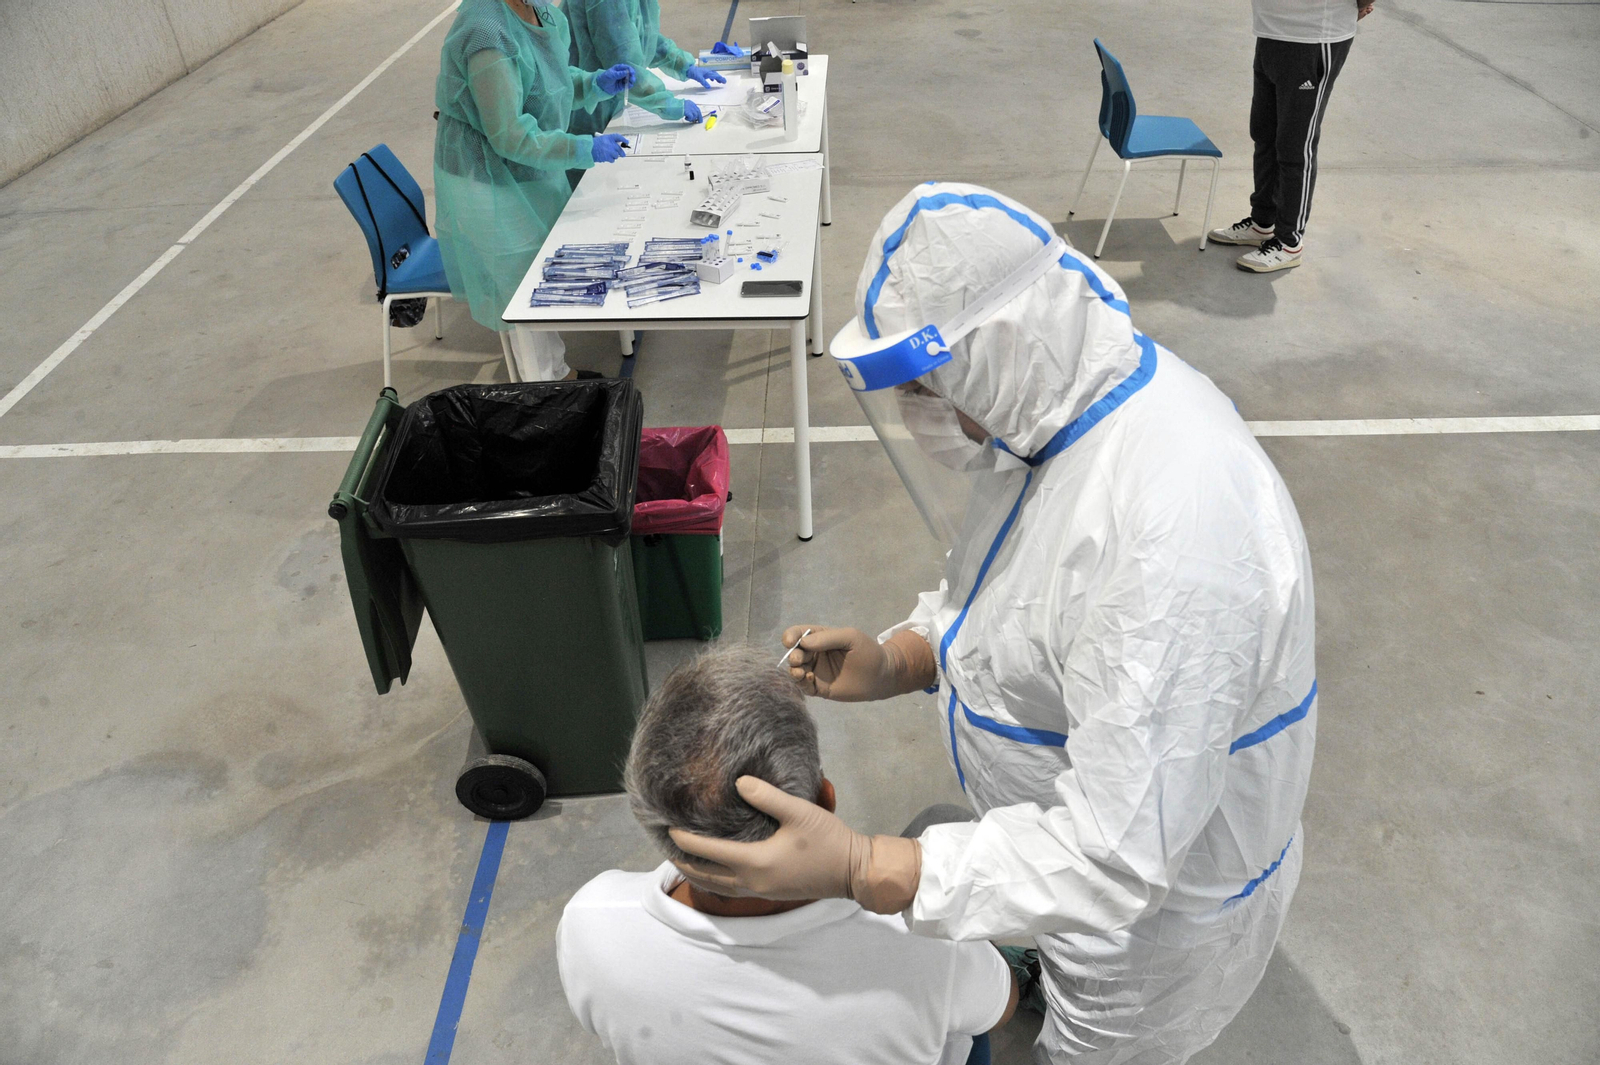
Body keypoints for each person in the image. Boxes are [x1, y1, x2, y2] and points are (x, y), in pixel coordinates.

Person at [670, 184, 1318, 1065]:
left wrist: (873, 868)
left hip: (1141, 931)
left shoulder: (1175, 533)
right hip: (1060, 872)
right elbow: (1021, 586)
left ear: (999, 351)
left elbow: (1117, 857)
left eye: (936, 388)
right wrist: (909, 651)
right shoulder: (1051, 418)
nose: (934, 415)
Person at [557, 644, 1019, 1065]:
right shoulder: (928, 948)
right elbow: (1001, 1008)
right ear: (825, 800)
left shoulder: (590, 922)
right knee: (944, 823)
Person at [433, 0, 637, 381]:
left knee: (538, 272)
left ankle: (554, 375)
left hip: (524, 169)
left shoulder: (538, 11)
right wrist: (581, 148)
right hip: (484, 176)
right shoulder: (485, 33)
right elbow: (510, 135)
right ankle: (545, 394)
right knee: (521, 286)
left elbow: (548, 82)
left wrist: (592, 83)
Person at [1210, 0, 1375, 273]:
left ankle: (1289, 242)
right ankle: (1263, 222)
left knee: (1295, 145)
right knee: (1264, 134)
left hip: (1313, 37)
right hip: (1271, 32)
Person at [566, 0, 726, 137]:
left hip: (605, 98)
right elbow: (622, 61)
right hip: (582, 102)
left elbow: (644, 36)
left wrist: (682, 64)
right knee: (584, 161)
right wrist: (668, 104)